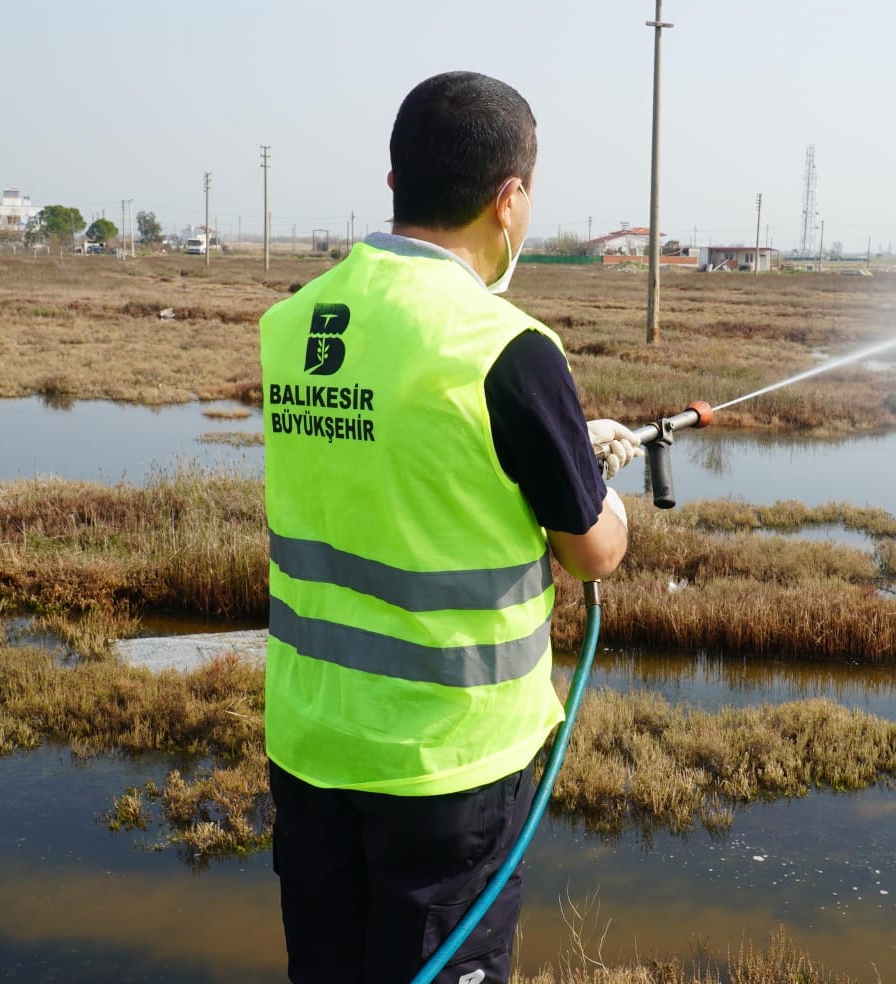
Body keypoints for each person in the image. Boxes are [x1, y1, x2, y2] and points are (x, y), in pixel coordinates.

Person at [258, 71, 641, 984]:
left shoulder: (292, 324)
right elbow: (593, 549)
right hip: (447, 768)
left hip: (310, 746)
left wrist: (553, 447)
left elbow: (402, 458)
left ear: (394, 186)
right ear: (509, 201)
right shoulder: (507, 348)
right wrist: (600, 486)